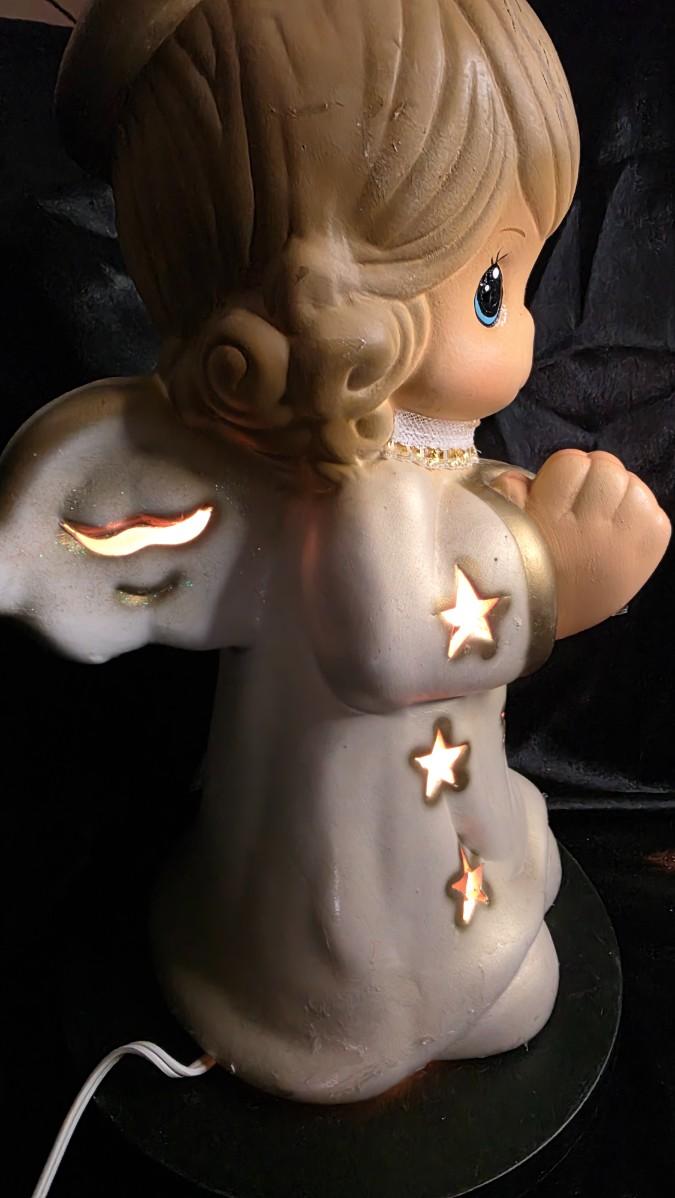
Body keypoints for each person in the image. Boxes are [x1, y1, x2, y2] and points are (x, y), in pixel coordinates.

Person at [0, 0, 668, 1103]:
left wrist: (501, 505)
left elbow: (445, 531)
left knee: (488, 844)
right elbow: (392, 646)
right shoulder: (358, 499)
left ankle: (463, 906)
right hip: (370, 814)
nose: (527, 332)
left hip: (429, 773)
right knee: (519, 991)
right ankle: (378, 995)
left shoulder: (394, 458)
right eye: (492, 291)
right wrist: (558, 580)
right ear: (350, 313)